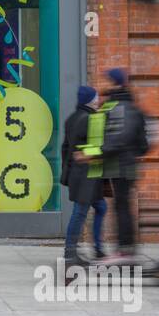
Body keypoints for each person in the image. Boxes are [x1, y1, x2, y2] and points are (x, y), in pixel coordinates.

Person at [97, 68, 149, 263]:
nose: (105, 85)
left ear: (115, 83)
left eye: (108, 81)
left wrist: (99, 151)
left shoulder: (119, 107)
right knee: (122, 206)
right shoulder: (132, 106)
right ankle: (126, 248)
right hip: (125, 164)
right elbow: (143, 144)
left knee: (122, 206)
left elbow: (120, 136)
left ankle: (125, 249)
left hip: (120, 165)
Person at [60, 86, 106, 266]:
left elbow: (66, 148)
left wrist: (67, 169)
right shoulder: (91, 119)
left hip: (78, 174)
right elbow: (95, 147)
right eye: (96, 97)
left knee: (101, 207)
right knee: (79, 212)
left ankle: (98, 248)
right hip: (87, 175)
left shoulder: (71, 118)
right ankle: (70, 252)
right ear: (90, 100)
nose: (98, 100)